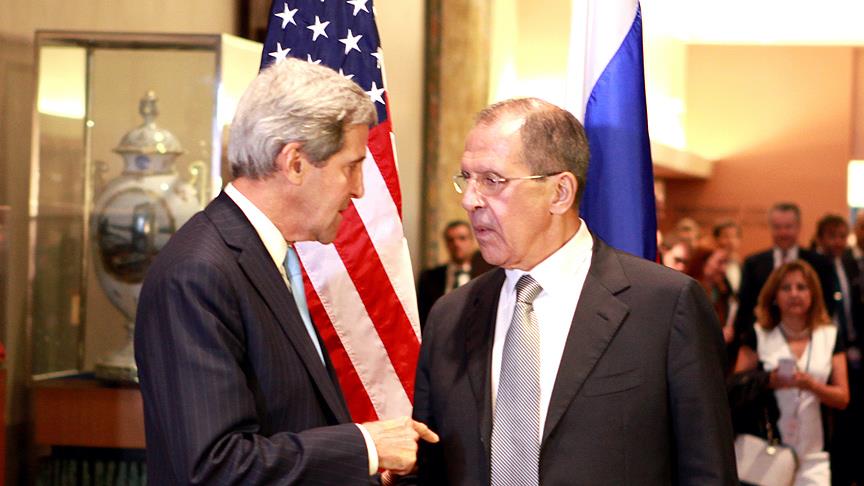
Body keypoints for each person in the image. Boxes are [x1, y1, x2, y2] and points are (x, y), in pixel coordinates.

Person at [135, 58, 437, 485]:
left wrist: (366, 473)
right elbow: (216, 466)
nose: (359, 189)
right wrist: (366, 447)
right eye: (350, 167)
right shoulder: (198, 273)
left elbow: (291, 423)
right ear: (295, 163)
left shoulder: (269, 258)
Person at [408, 98, 737, 485]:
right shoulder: (450, 316)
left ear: (560, 192)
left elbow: (707, 471)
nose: (469, 200)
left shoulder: (665, 306)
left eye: (492, 180)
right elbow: (429, 469)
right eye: (467, 178)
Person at [730, 260, 850, 486]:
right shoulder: (759, 334)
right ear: (774, 295)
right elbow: (735, 387)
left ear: (813, 294)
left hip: (815, 456)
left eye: (801, 287)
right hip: (768, 452)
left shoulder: (829, 335)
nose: (794, 294)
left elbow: (843, 398)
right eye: (786, 288)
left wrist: (812, 385)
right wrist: (769, 380)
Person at [733, 203, 835, 351]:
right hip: (763, 341)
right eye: (777, 227)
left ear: (798, 227)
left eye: (788, 227)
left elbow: (826, 304)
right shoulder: (753, 263)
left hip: (810, 341)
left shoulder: (820, 263)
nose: (783, 233)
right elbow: (745, 307)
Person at [813, 214, 864, 485]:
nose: (838, 242)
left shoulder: (850, 263)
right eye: (832, 236)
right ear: (820, 238)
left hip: (852, 348)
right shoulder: (814, 265)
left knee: (851, 415)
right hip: (825, 347)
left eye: (842, 236)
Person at [416, 220, 476, 327]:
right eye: (451, 240)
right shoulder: (429, 277)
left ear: (472, 241)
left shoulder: (487, 274)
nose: (456, 244)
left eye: (462, 238)